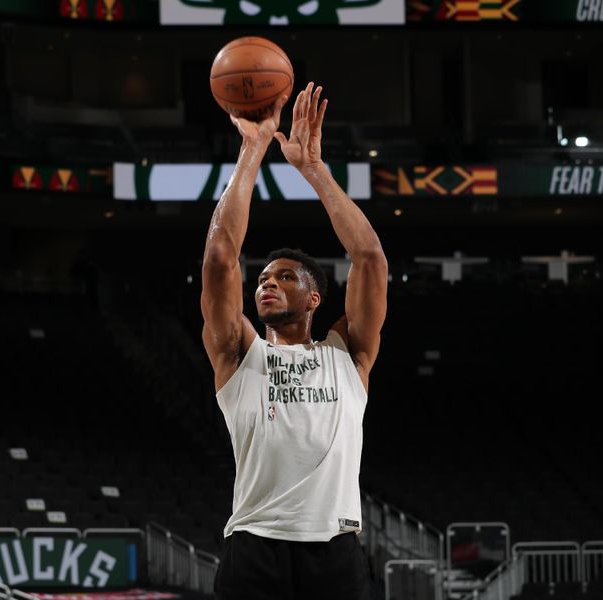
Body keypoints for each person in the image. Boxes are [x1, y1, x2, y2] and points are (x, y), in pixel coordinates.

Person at [200, 81, 388, 600]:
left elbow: (370, 258)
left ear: (314, 299)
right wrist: (252, 148)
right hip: (255, 547)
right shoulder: (240, 356)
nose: (265, 282)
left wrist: (313, 170)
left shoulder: (347, 355)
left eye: (284, 276)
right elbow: (219, 259)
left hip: (336, 550)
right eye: (262, 278)